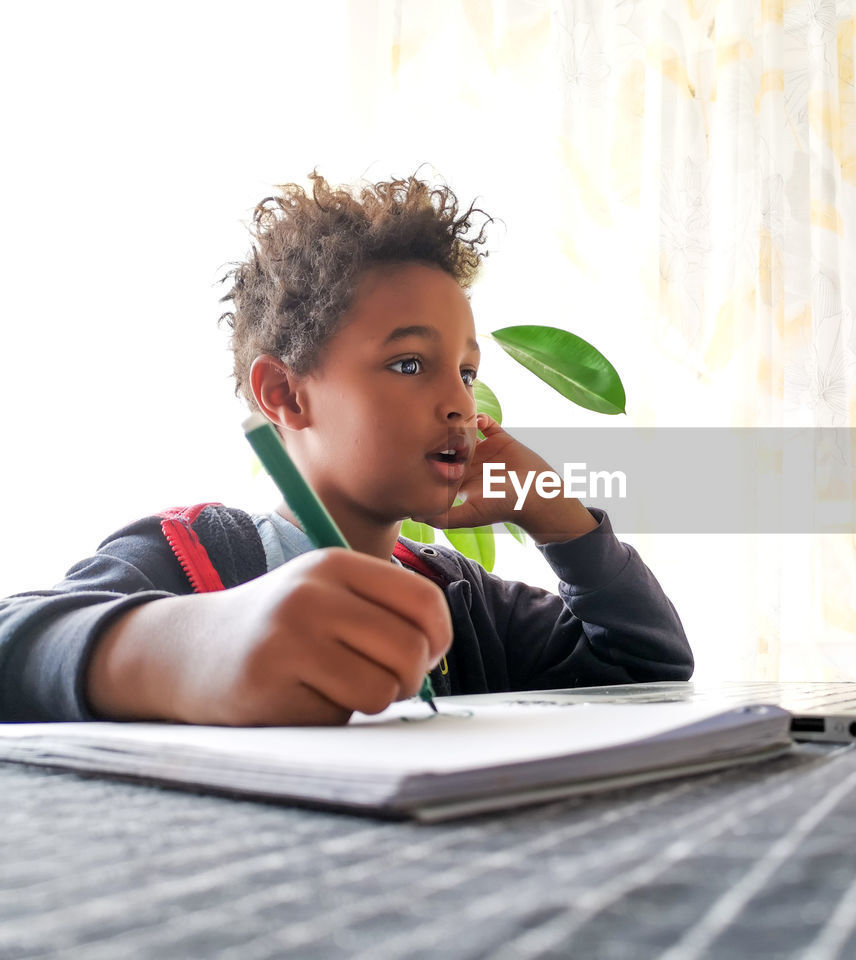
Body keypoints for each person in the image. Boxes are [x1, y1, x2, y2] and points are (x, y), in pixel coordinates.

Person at [0, 171, 692, 725]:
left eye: (468, 371)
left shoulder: (459, 600)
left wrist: (556, 513)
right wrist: (193, 647)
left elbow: (647, 668)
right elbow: (15, 646)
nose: (461, 402)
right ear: (285, 394)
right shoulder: (193, 556)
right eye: (410, 364)